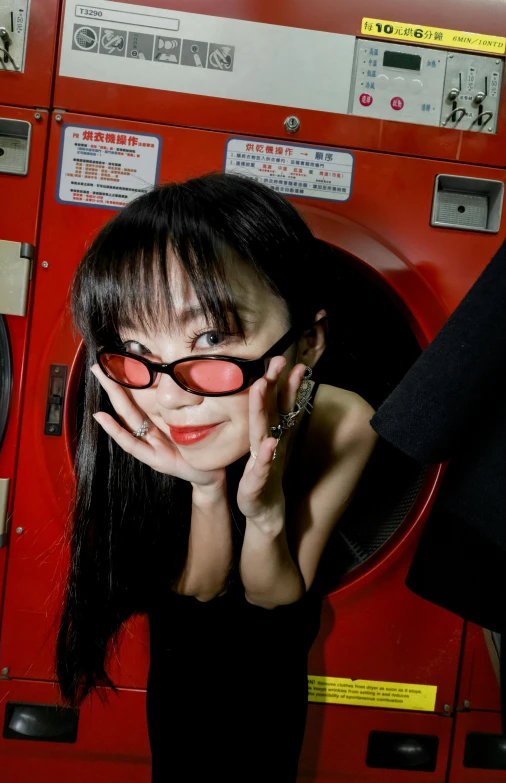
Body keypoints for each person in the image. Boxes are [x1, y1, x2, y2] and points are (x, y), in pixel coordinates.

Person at [55, 173, 378, 781]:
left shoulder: (346, 421)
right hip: (184, 661)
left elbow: (273, 594)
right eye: (138, 347)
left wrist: (265, 511)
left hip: (273, 664)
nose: (173, 395)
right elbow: (198, 591)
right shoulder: (137, 405)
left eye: (209, 336)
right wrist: (205, 488)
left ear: (306, 342)